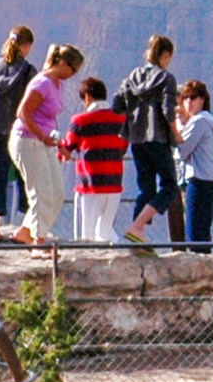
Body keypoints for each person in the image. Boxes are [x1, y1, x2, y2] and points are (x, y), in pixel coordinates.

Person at [115, 35, 183, 247]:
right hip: (158, 138)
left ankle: (137, 236)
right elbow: (167, 110)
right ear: (165, 55)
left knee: (147, 189)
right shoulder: (166, 78)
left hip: (136, 140)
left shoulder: (132, 76)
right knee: (170, 187)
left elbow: (116, 105)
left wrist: (134, 113)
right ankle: (136, 227)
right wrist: (176, 134)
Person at [11, 43, 78, 242]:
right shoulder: (42, 83)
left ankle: (25, 232)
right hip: (27, 142)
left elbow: (50, 118)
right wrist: (42, 137)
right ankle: (38, 242)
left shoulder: (58, 83)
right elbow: (23, 112)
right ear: (63, 63)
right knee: (41, 193)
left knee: (57, 193)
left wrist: (60, 145)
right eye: (72, 69)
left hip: (46, 142)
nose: (73, 74)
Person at [0, 25, 37, 241]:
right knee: (26, 175)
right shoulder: (28, 71)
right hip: (20, 130)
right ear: (26, 45)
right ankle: (26, 227)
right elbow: (35, 100)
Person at [66, 77, 129, 243]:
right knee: (106, 231)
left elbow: (67, 146)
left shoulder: (80, 121)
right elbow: (123, 148)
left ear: (87, 97)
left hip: (89, 185)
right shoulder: (121, 120)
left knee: (85, 236)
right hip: (114, 183)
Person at [176, 81, 213, 252]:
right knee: (202, 232)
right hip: (209, 180)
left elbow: (181, 150)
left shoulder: (198, 122)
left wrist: (176, 127)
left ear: (202, 99)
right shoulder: (208, 120)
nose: (188, 102)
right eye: (185, 98)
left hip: (199, 180)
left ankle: (198, 271)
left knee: (194, 233)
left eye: (193, 97)